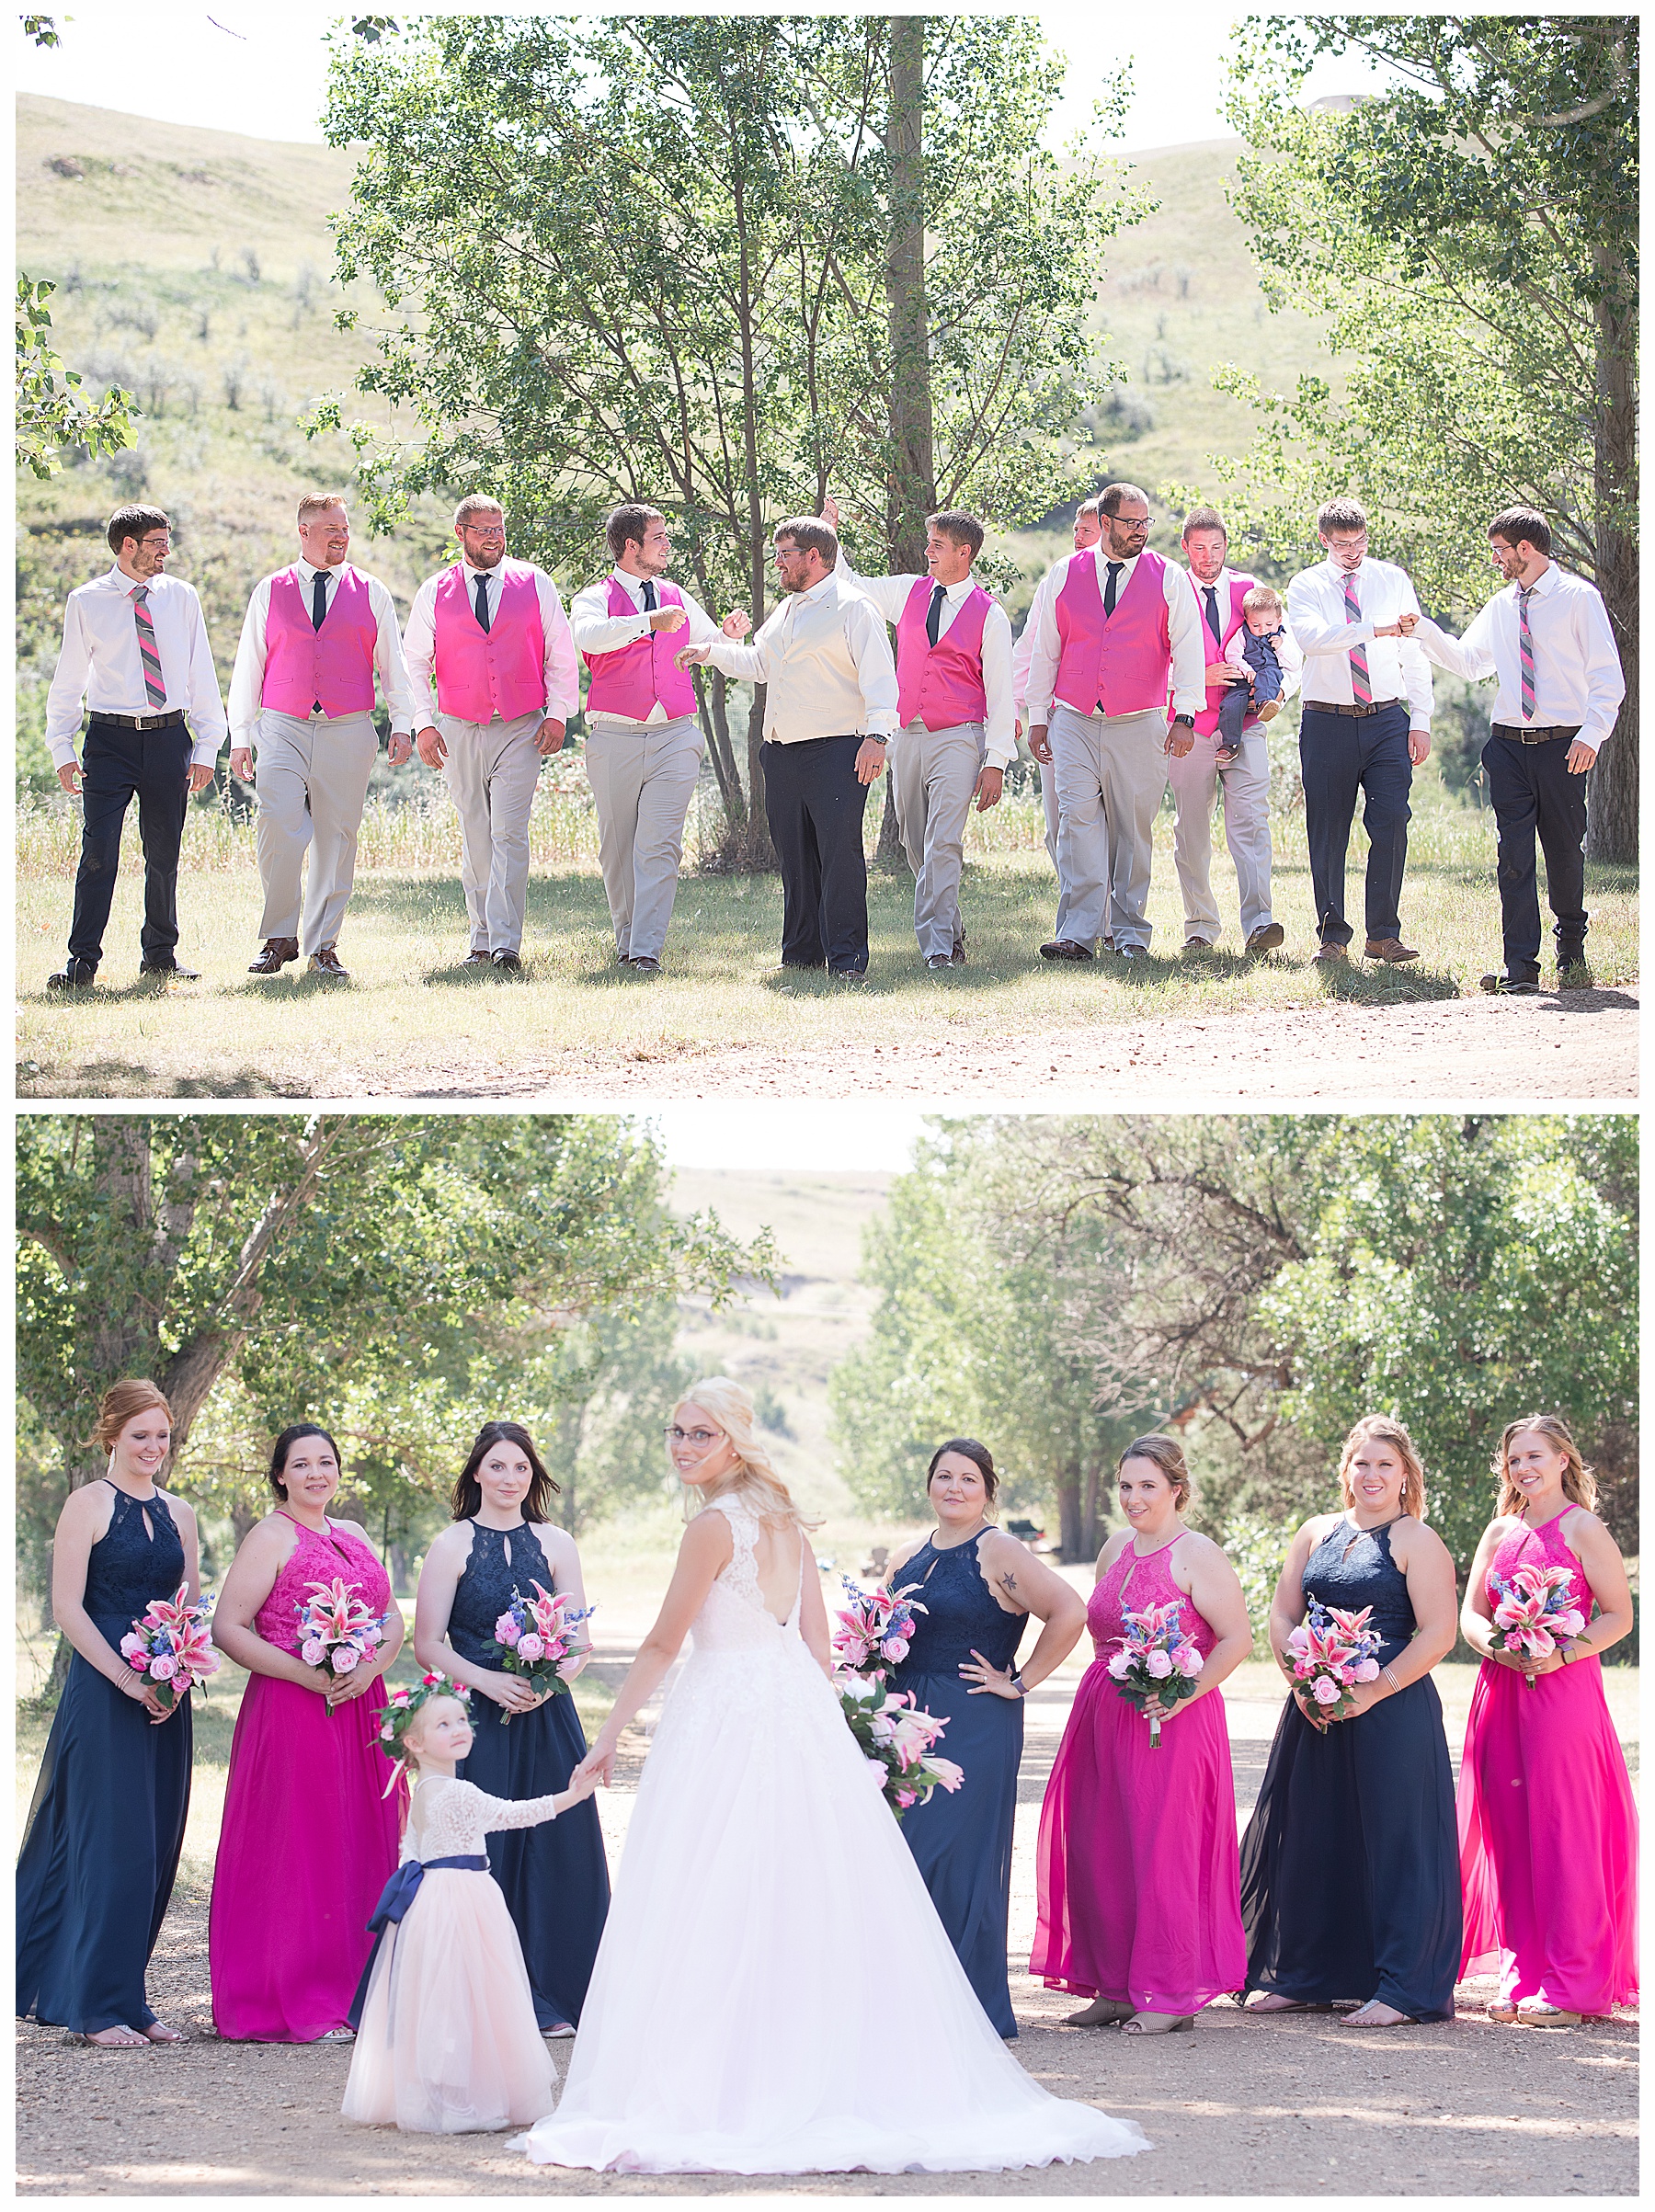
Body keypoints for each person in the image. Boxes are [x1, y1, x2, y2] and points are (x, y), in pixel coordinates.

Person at [515, 1379, 1147, 2174]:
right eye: (675, 1431)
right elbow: (817, 1651)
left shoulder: (714, 1526)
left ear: (734, 1441)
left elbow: (660, 1644)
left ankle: (728, 2075)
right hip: (789, 1715)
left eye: (700, 1434)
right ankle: (796, 2058)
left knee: (715, 1883)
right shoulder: (786, 1524)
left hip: (727, 1715)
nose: (682, 1446)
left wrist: (608, 1736)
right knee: (794, 1885)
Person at [1240, 1415, 1461, 2025]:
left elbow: (1439, 1634)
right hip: (1316, 1707)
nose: (1371, 1475)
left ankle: (1401, 1986)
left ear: (1405, 1476)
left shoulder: (1416, 1538)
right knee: (1312, 1833)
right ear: (1346, 1470)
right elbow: (1282, 1618)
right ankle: (1305, 1974)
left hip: (1391, 1710)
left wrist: (1374, 1691)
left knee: (1396, 1841)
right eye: (1361, 1463)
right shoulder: (1315, 1532)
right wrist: (1304, 1684)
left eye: (1385, 1465)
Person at [1031, 1434, 1251, 2035]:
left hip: (1172, 1721)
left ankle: (1170, 1991)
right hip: (1105, 1716)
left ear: (1177, 1489)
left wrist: (1184, 1693)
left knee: (1162, 1850)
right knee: (1101, 1847)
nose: (1133, 1498)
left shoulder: (1196, 1554)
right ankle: (1116, 1985)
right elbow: (1102, 1633)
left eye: (1147, 1486)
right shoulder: (1114, 1549)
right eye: (1126, 1486)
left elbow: (1237, 1639)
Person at [17, 1382, 200, 2046]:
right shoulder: (86, 1504)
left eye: (162, 1436)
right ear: (112, 1435)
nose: (153, 1448)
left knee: (153, 1846)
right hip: (103, 1693)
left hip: (165, 1698)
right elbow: (68, 1609)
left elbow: (189, 1607)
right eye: (141, 1435)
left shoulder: (181, 1512)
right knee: (110, 1846)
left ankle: (133, 1999)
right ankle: (93, 2006)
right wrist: (128, 1679)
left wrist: (174, 1679)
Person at [208, 1423, 405, 2040]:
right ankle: (294, 1990)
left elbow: (392, 1617)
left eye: (326, 1462)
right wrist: (307, 1675)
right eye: (302, 1464)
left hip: (363, 1705)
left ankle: (359, 1984)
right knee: (303, 1841)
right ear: (280, 1475)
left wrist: (370, 1666)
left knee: (360, 1835)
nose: (316, 1474)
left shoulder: (353, 1533)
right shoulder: (270, 1535)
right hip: (296, 1709)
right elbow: (229, 1627)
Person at [883, 1439, 1085, 2036]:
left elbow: (1069, 1610)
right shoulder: (905, 1557)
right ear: (928, 1485)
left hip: (973, 1720)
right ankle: (905, 1997)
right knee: (897, 1857)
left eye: (968, 1479)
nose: (954, 1488)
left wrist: (1020, 1682)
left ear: (987, 1490)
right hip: (904, 1722)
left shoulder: (998, 1550)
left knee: (951, 1856)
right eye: (943, 1477)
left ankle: (961, 2004)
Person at [413, 1420, 610, 2035]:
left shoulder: (557, 1543)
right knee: (485, 1849)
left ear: (533, 1476)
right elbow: (426, 1644)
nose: (509, 1478)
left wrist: (552, 1679)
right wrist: (486, 1681)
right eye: (497, 1467)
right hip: (477, 1720)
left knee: (557, 1847)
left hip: (545, 1715)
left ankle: (556, 1994)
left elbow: (578, 1639)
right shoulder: (451, 1544)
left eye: (520, 1468)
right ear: (477, 1473)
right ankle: (479, 2001)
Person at [342, 1677, 599, 2132]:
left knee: (445, 1996)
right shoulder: (457, 1793)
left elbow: (411, 1850)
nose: (460, 1728)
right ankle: (463, 2100)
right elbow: (514, 1814)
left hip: (434, 1900)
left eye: (462, 1719)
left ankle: (441, 2095)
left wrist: (411, 1906)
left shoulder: (422, 1789)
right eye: (444, 1724)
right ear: (414, 1742)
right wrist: (572, 1796)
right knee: (468, 1996)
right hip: (463, 1898)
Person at [1456, 1415, 1637, 2025]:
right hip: (1501, 1689)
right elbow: (1472, 1616)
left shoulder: (1584, 1527)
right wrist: (1498, 1646)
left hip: (1563, 1695)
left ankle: (1573, 1985)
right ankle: (1525, 1972)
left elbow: (1619, 1615)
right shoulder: (1500, 1529)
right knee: (1512, 1833)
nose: (1523, 1469)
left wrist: (1561, 1650)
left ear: (1563, 1458)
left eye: (1534, 1456)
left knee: (1565, 1832)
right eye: (1513, 1460)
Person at [1403, 507, 1626, 995]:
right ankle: (1521, 965)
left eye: (1501, 550)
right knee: (1513, 855)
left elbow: (1607, 677)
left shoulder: (1577, 599)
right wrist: (1423, 631)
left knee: (1565, 849)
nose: (1497, 560)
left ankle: (1572, 951)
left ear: (1526, 548)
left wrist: (1592, 735)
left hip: (1564, 745)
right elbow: (1468, 661)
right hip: (1506, 745)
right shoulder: (1503, 605)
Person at [680, 518, 898, 980]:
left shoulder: (854, 608)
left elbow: (881, 680)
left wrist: (877, 738)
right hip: (781, 754)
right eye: (776, 555)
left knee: (839, 855)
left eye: (785, 554)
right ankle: (801, 954)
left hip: (839, 750)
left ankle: (847, 960)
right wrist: (710, 651)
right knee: (795, 856)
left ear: (814, 556)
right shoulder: (786, 609)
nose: (777, 563)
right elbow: (759, 662)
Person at [821, 498, 1016, 969]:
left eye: (937, 545)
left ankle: (938, 949)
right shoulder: (908, 591)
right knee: (914, 842)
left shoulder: (990, 615)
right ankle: (949, 927)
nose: (928, 551)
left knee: (943, 841)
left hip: (959, 736)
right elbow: (853, 586)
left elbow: (1002, 693)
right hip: (906, 735)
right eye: (929, 543)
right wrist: (831, 537)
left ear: (964, 552)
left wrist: (996, 761)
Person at [227, 494, 416, 980]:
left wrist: (403, 723)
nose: (341, 536)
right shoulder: (270, 590)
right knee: (279, 824)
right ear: (304, 532)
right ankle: (280, 936)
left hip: (348, 726)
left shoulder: (371, 591)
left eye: (345, 528)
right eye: (330, 528)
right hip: (282, 724)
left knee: (337, 837)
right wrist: (241, 735)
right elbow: (250, 663)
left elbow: (393, 662)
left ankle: (323, 946)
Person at [1022, 482, 1206, 962]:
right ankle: (1078, 933)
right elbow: (1046, 649)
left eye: (1146, 523)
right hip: (1074, 719)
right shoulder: (1064, 573)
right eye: (1131, 523)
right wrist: (1037, 715)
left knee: (1132, 830)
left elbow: (1189, 651)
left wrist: (1184, 715)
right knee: (1076, 823)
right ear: (1104, 523)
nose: (1141, 531)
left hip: (1140, 720)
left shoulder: (1169, 577)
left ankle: (1129, 934)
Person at [43, 505, 225, 989]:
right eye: (157, 542)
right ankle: (81, 963)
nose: (167, 550)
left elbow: (199, 671)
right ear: (129, 545)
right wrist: (62, 747)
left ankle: (161, 956)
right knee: (98, 850)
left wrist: (207, 746)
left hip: (169, 738)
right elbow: (68, 681)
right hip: (109, 741)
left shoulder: (182, 597)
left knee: (164, 852)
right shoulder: (87, 601)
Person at [402, 496, 578, 974]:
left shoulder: (534, 582)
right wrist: (423, 723)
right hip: (458, 726)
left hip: (522, 726)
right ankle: (479, 937)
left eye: (499, 529)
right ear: (460, 534)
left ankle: (505, 942)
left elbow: (561, 653)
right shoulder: (433, 591)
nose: (494, 538)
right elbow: (413, 661)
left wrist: (559, 713)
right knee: (476, 833)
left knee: (508, 833)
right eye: (483, 530)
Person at [568, 503, 744, 975]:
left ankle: (645, 950)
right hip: (614, 736)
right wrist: (647, 621)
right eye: (659, 537)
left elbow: (710, 648)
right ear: (632, 546)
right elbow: (588, 637)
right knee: (618, 845)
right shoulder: (593, 597)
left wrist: (724, 636)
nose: (668, 544)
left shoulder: (676, 594)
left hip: (675, 735)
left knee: (661, 844)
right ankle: (625, 939)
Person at [1285, 498, 1433, 964]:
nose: (1353, 552)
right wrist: (1375, 628)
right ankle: (1332, 938)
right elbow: (1313, 639)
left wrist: (1421, 719)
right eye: (1343, 544)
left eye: (1361, 542)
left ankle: (1383, 934)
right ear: (1324, 541)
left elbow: (1414, 651)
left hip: (1388, 718)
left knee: (1391, 820)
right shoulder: (1306, 585)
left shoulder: (1392, 579)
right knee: (1327, 830)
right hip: (1327, 720)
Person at [1170, 507, 1297, 954]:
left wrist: (1280, 697)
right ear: (1185, 547)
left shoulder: (1251, 590)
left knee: (1251, 823)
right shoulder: (1168, 589)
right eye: (1200, 548)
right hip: (1188, 729)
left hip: (1247, 725)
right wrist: (1194, 678)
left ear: (1227, 546)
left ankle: (1260, 923)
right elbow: (1144, 659)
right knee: (1192, 830)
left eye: (1217, 547)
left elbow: (1286, 649)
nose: (1209, 557)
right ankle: (1200, 927)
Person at [1012, 497, 1104, 947]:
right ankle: (1085, 918)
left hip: (1117, 721)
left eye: (1089, 532)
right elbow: (1032, 647)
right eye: (1077, 533)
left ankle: (1104, 924)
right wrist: (1021, 711)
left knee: (1108, 824)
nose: (1080, 540)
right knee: (1059, 825)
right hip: (1058, 718)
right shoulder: (1060, 577)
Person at [1214, 589, 1288, 767]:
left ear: (1279, 621)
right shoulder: (1242, 634)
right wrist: (1247, 670)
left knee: (1269, 676)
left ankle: (1265, 703)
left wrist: (1281, 647)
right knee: (1231, 703)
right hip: (1244, 679)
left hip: (1268, 673)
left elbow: (1292, 663)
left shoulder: (1282, 636)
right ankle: (1230, 744)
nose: (1263, 629)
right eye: (1256, 625)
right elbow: (1232, 654)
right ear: (1247, 620)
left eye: (1269, 624)